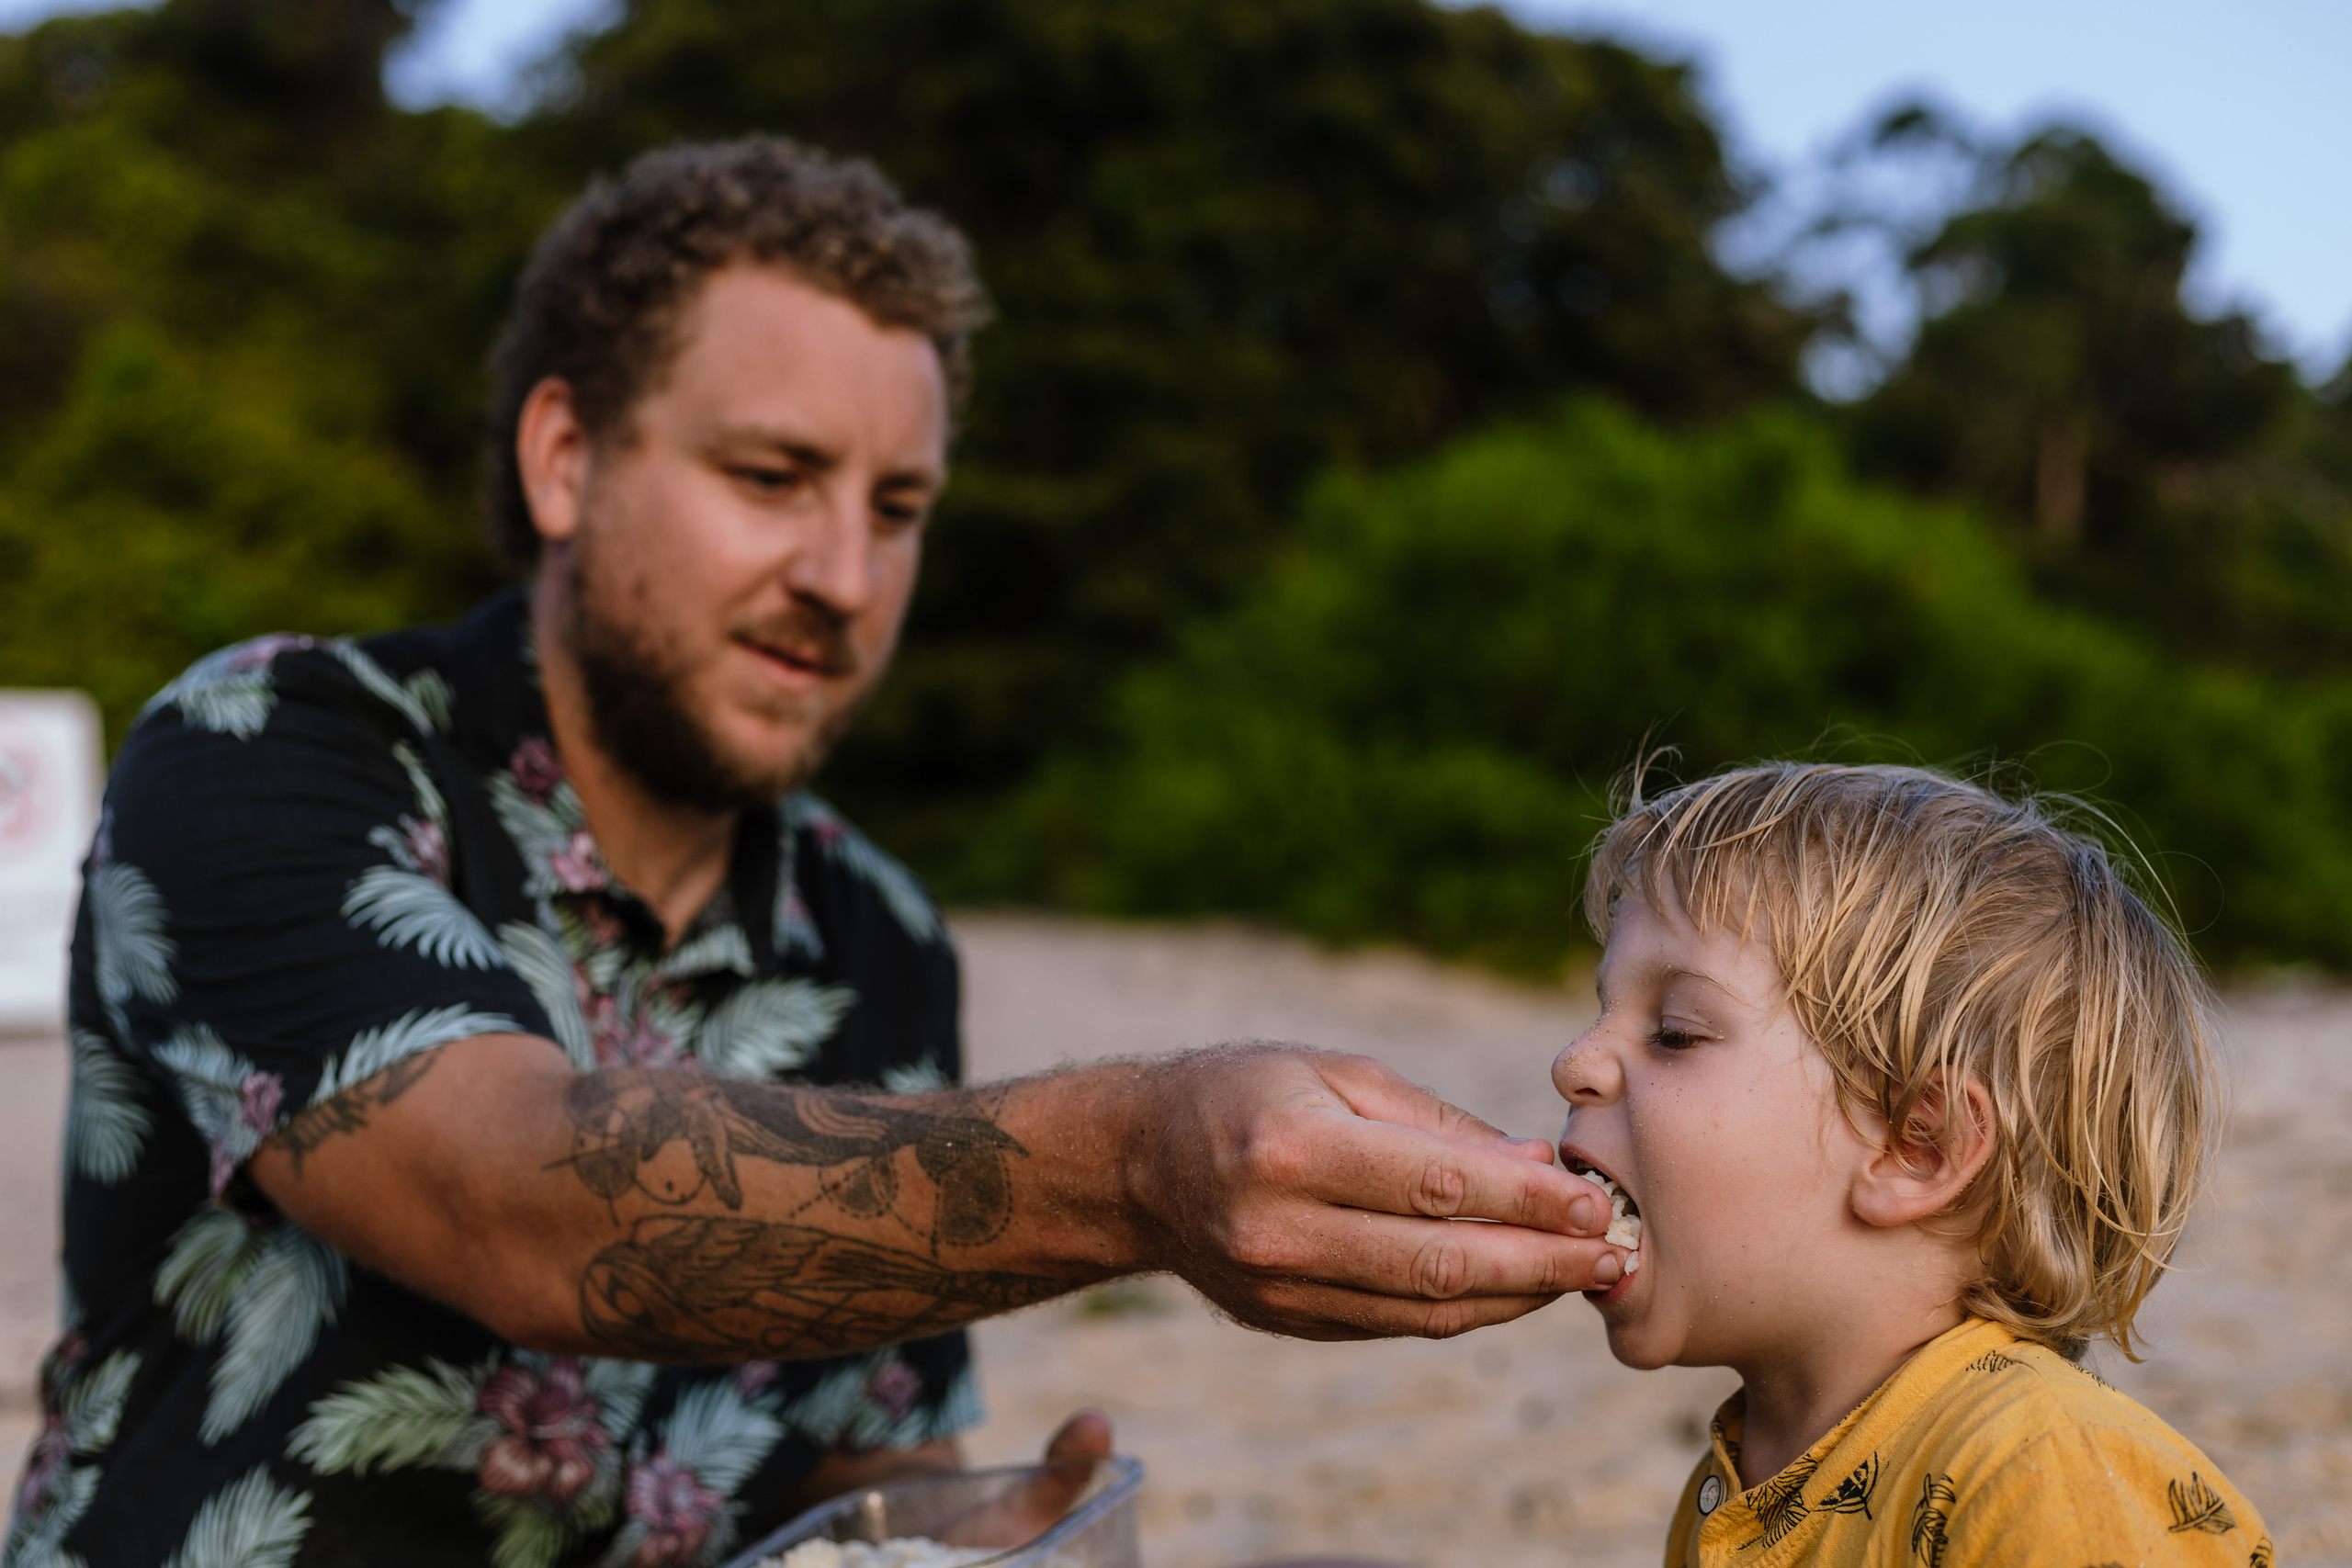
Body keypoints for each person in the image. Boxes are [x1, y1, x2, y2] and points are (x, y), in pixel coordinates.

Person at [6, 138, 1623, 1567]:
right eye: (772, 477)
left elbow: (846, 1447)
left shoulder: (877, 927)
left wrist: (943, 1529)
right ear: (565, 455)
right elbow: (517, 1208)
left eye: (899, 504)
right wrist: (1142, 1159)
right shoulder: (268, 750)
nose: (843, 576)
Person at [1555, 761, 2269, 1564]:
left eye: (1676, 1032)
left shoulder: (2046, 1470)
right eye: (1600, 1008)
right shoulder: (1733, 1481)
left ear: (1917, 1147)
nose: (1574, 1060)